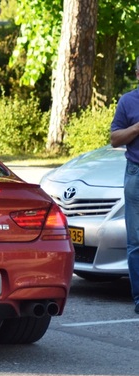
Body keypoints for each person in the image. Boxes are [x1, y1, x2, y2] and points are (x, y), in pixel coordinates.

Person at [110, 58, 139, 314]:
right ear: (138, 74)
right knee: (136, 240)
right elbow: (114, 139)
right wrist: (137, 127)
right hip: (136, 173)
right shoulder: (127, 101)